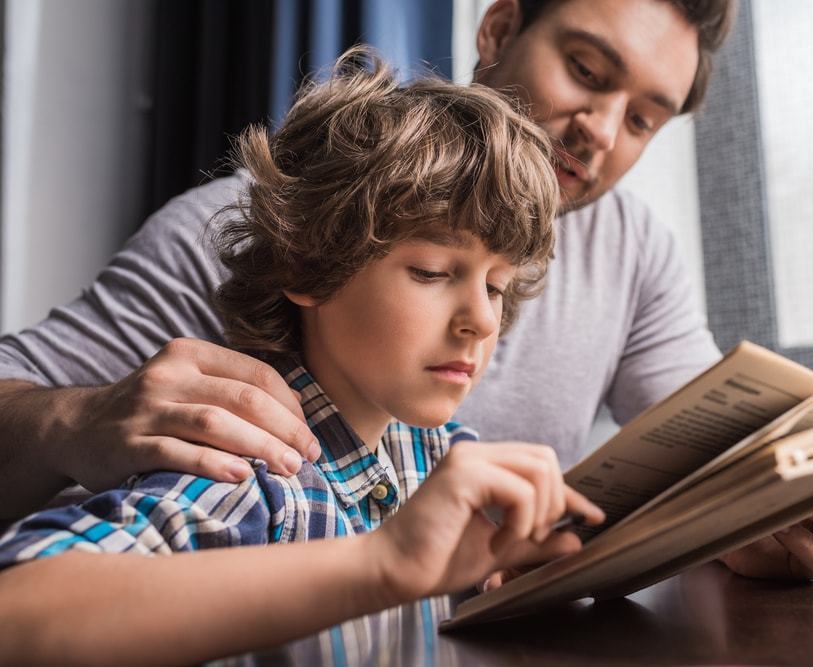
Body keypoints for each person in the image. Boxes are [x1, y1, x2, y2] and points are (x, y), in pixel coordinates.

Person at [0, 0, 813, 581]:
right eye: (586, 70)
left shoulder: (634, 249)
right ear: (496, 28)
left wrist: (752, 512)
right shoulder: (251, 222)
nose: (599, 131)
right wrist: (73, 421)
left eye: (642, 117)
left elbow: (703, 448)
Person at [0, 49, 605, 664]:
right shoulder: (251, 475)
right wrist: (382, 561)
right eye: (431, 271)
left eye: (496, 286)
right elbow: (17, 613)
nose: (481, 318)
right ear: (308, 266)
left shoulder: (448, 459)